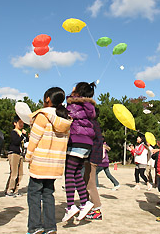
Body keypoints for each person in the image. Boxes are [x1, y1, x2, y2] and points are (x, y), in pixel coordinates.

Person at [25, 87, 72, 234]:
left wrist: (28, 156)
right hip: (55, 164)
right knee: (48, 194)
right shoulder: (65, 119)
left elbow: (34, 139)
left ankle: (35, 227)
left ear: (47, 99)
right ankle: (50, 227)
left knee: (34, 194)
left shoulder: (42, 115)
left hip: (40, 162)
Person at [62, 82, 96, 222]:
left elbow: (66, 116)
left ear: (78, 92)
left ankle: (71, 206)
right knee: (76, 173)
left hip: (76, 140)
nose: (71, 89)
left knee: (69, 173)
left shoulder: (75, 104)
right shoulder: (89, 106)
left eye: (74, 88)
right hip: (86, 143)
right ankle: (84, 202)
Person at [83, 107, 105, 220]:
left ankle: (97, 210)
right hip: (91, 157)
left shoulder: (91, 124)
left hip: (92, 158)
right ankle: (86, 205)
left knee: (90, 184)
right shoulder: (94, 123)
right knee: (85, 181)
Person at [5, 116, 26, 197]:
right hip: (13, 153)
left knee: (20, 173)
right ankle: (9, 190)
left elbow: (26, 141)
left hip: (20, 154)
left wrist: (24, 136)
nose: (21, 124)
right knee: (14, 173)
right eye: (20, 122)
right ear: (15, 123)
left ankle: (16, 190)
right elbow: (16, 142)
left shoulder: (21, 133)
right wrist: (22, 135)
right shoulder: (14, 132)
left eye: (22, 123)